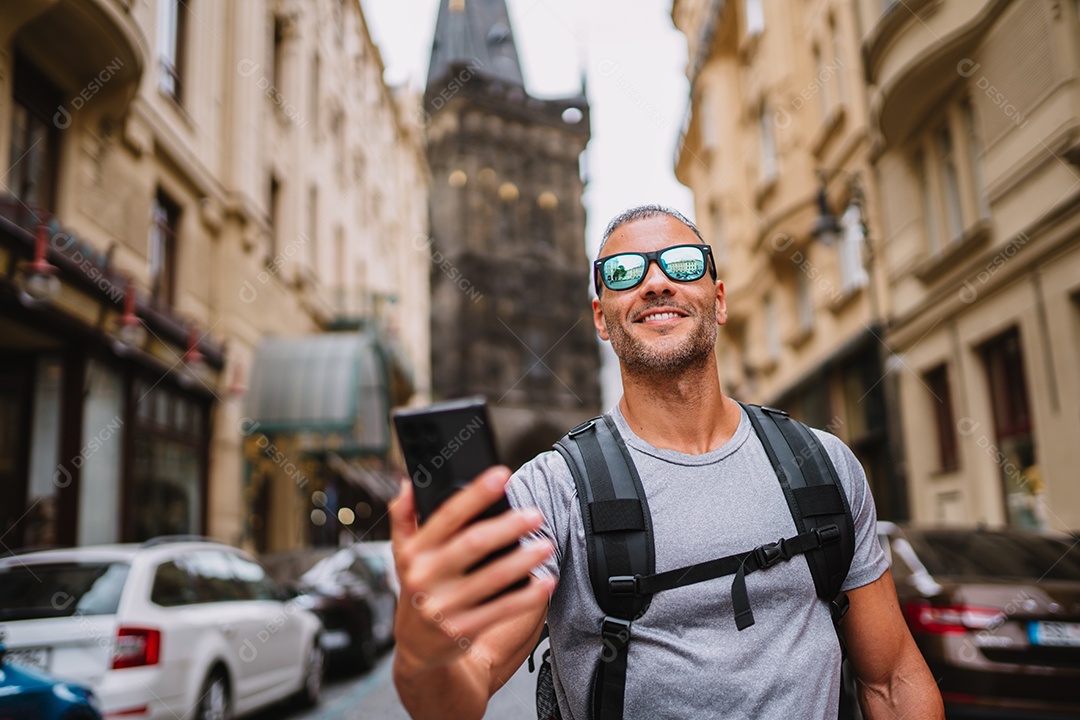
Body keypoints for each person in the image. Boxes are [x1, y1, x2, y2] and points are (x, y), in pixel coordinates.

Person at [390, 205, 944, 719]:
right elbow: (464, 687)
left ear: (719, 300)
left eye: (681, 264)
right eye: (625, 273)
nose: (656, 282)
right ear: (601, 319)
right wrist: (422, 646)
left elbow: (892, 678)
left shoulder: (822, 464)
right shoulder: (551, 491)